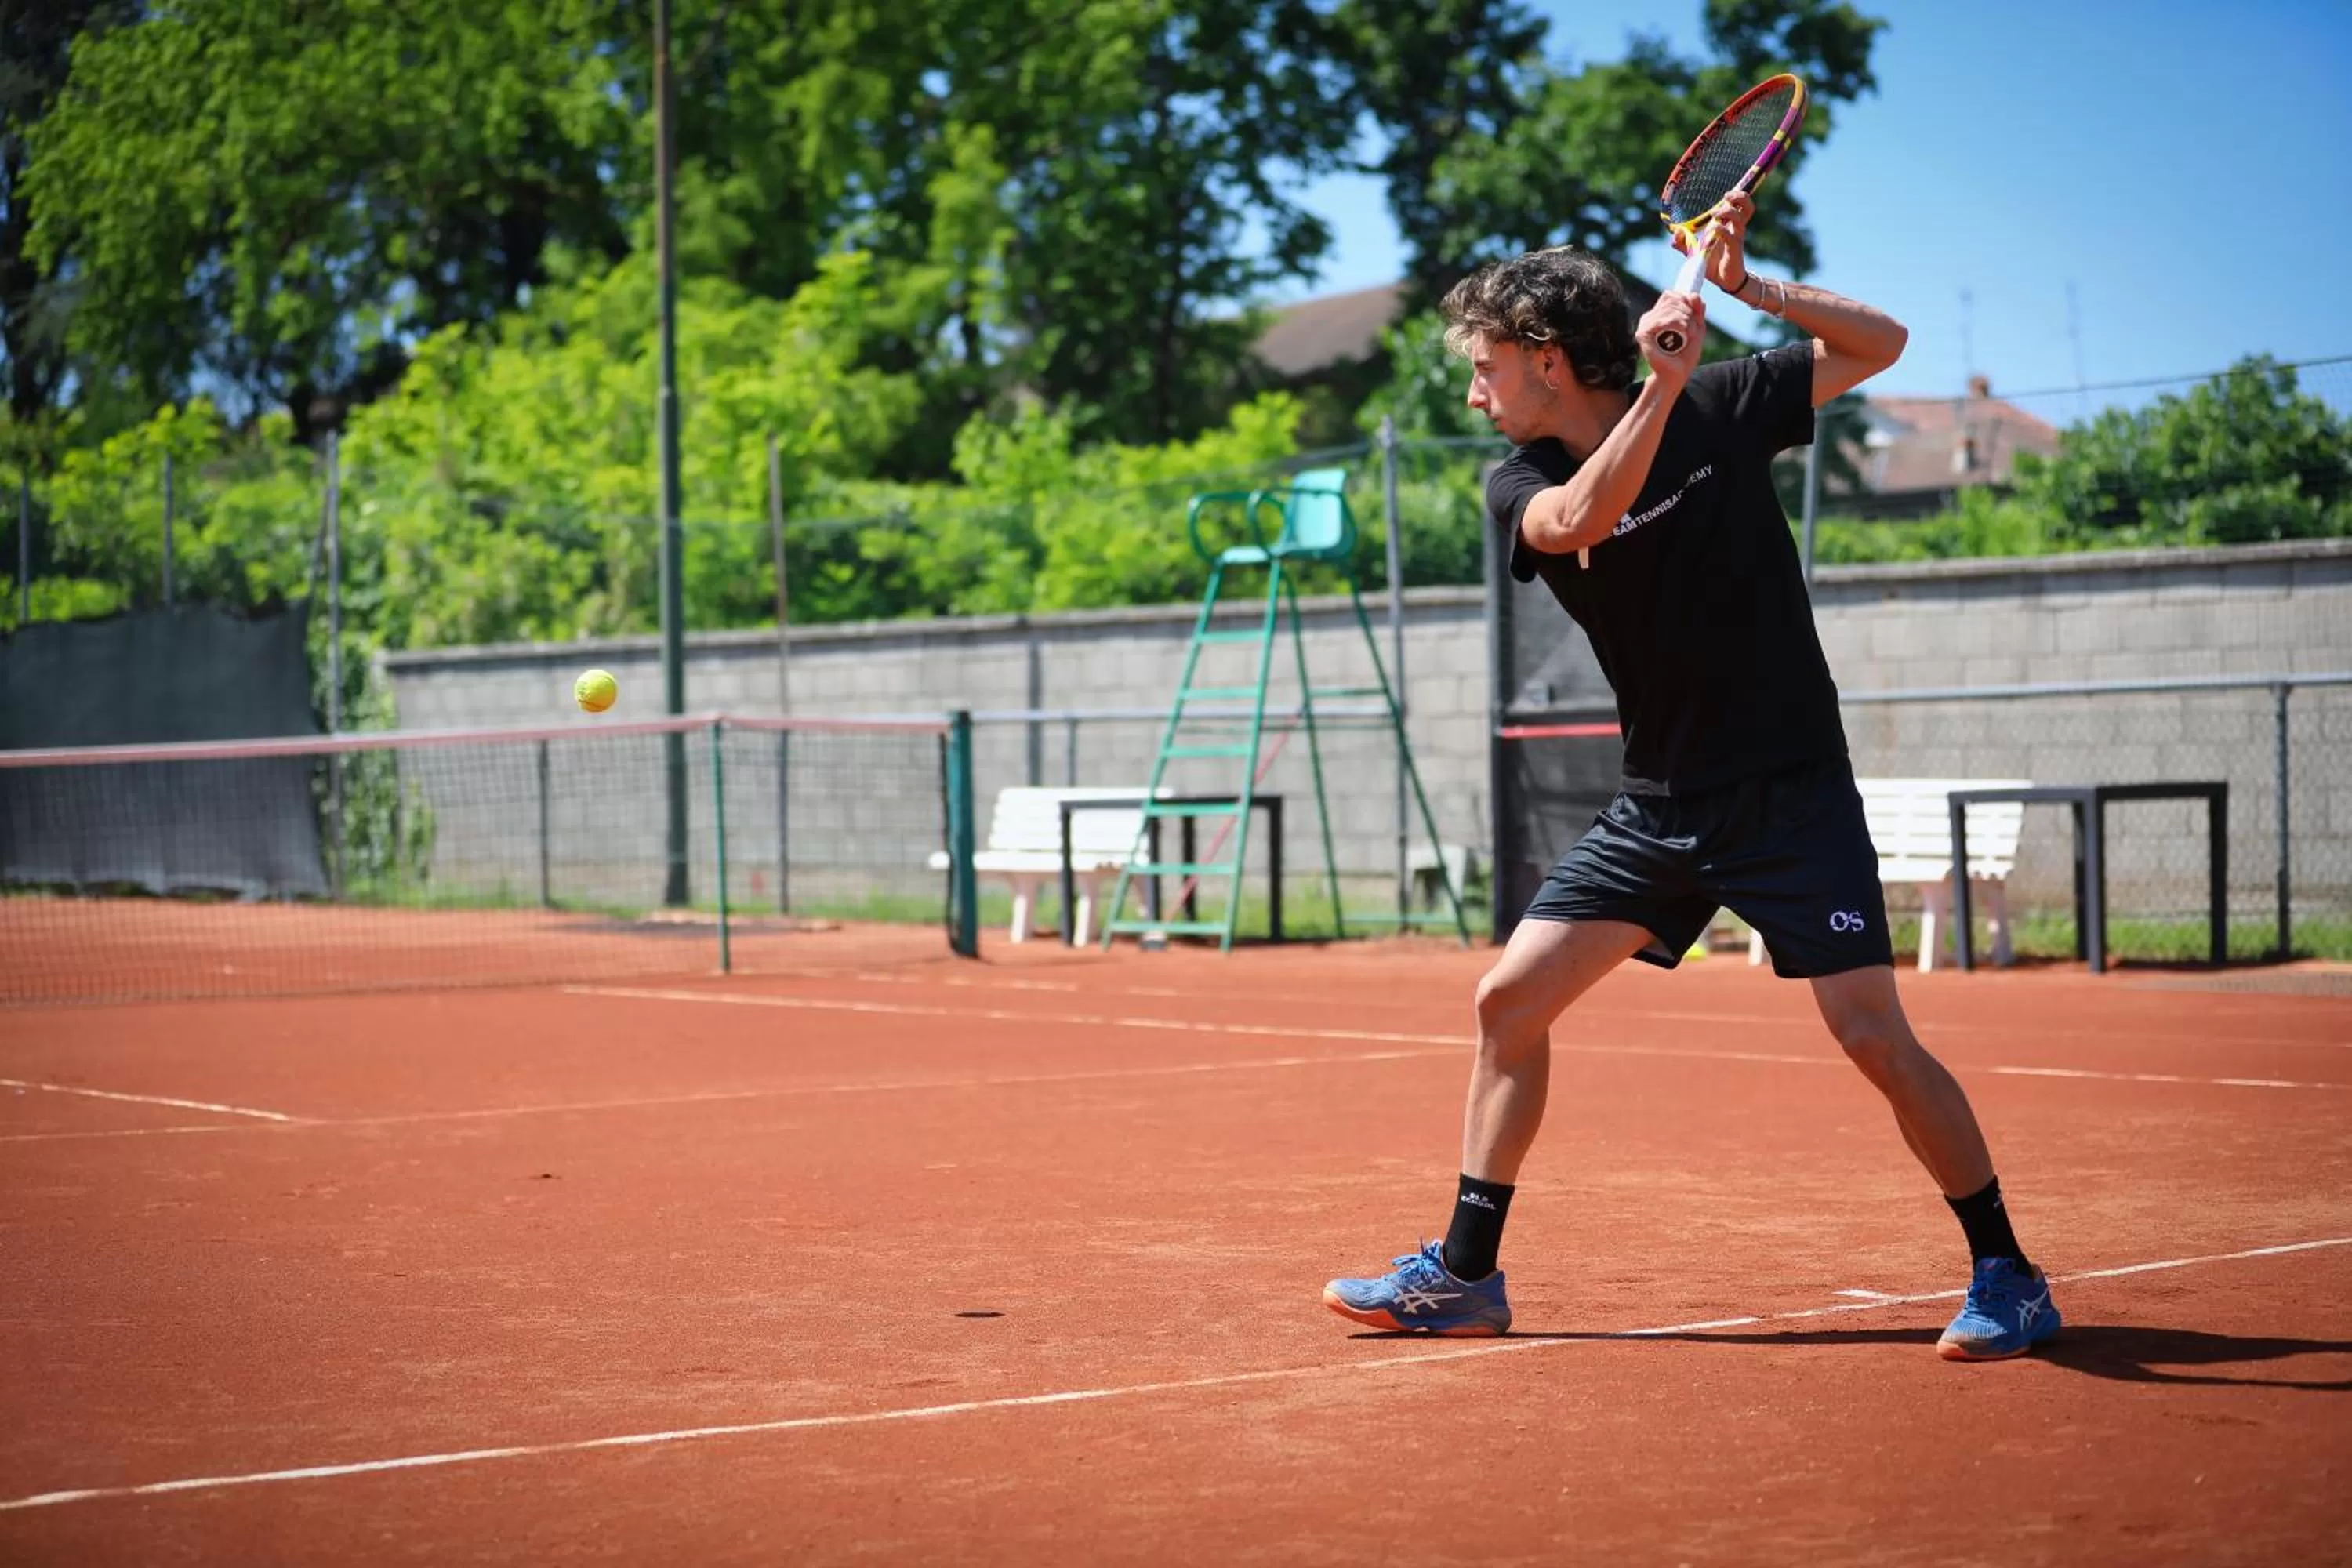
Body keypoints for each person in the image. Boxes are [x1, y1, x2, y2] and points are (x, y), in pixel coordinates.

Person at [1321, 194, 2060, 1362]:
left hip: (1790, 792)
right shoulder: (1518, 480)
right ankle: (1466, 1275)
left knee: (1871, 1033)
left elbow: (1883, 347)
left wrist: (1753, 286)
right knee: (1507, 1002)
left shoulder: (1723, 403)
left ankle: (2007, 1273)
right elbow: (1580, 517)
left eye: (1486, 367)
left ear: (1548, 362)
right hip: (1660, 805)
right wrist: (1662, 387)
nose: (1475, 392)